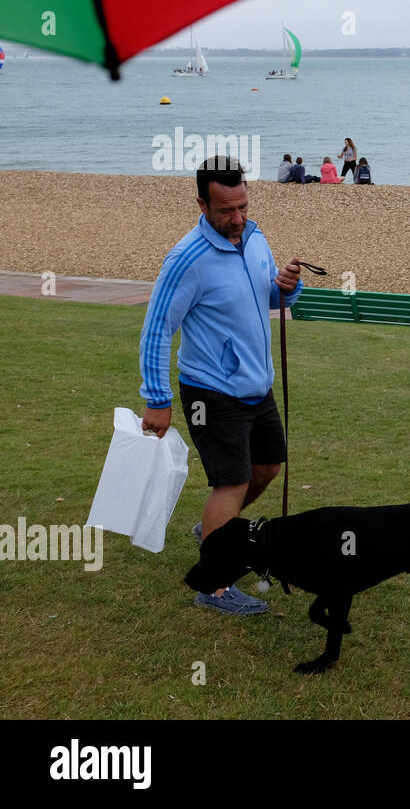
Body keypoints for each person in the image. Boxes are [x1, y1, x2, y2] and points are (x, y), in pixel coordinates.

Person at [139, 156, 303, 615]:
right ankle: (213, 585)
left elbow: (267, 294)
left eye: (243, 207)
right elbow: (156, 329)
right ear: (201, 204)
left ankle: (215, 528)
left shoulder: (255, 238)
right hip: (210, 392)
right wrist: (157, 399)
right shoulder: (186, 259)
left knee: (268, 467)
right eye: (226, 211)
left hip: (257, 384)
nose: (237, 219)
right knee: (230, 484)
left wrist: (288, 286)